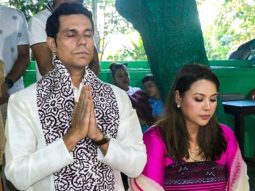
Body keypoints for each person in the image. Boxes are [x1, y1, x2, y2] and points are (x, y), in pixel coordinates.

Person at [5, 3, 146, 191]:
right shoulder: (24, 102)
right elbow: (18, 176)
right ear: (52, 43)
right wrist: (71, 138)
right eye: (71, 34)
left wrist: (99, 138)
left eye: (87, 34)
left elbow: (136, 165)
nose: (82, 41)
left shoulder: (117, 97)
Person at [129, 64, 250, 191]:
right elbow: (147, 187)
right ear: (178, 98)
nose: (207, 107)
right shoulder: (156, 138)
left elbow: (239, 185)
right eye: (199, 99)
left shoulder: (224, 135)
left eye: (213, 99)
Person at [28, 0, 100, 80]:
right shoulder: (39, 20)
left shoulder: (85, 18)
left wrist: (86, 85)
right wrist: (74, 89)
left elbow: (94, 62)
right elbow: (46, 68)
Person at [109, 63, 154, 130]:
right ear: (114, 80)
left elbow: (149, 107)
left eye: (126, 75)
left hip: (148, 125)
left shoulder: (138, 91)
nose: (124, 78)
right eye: (120, 76)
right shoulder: (115, 95)